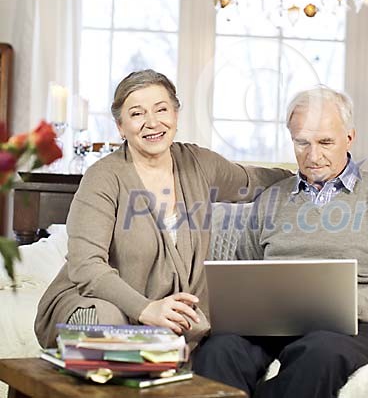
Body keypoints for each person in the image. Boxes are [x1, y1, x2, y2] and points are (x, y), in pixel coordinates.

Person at [192, 86, 368, 398]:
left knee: (320, 353)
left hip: (349, 329)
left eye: (325, 142)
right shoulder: (271, 199)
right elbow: (243, 272)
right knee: (218, 350)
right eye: (302, 142)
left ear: (350, 137)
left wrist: (339, 305)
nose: (313, 156)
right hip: (270, 323)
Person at [34, 69, 291, 351]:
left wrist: (311, 173)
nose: (152, 122)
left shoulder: (199, 163)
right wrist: (146, 309)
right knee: (110, 322)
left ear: (175, 115)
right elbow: (86, 267)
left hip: (168, 316)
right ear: (120, 127)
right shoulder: (103, 178)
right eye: (137, 113)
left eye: (161, 109)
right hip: (94, 303)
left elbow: (254, 181)